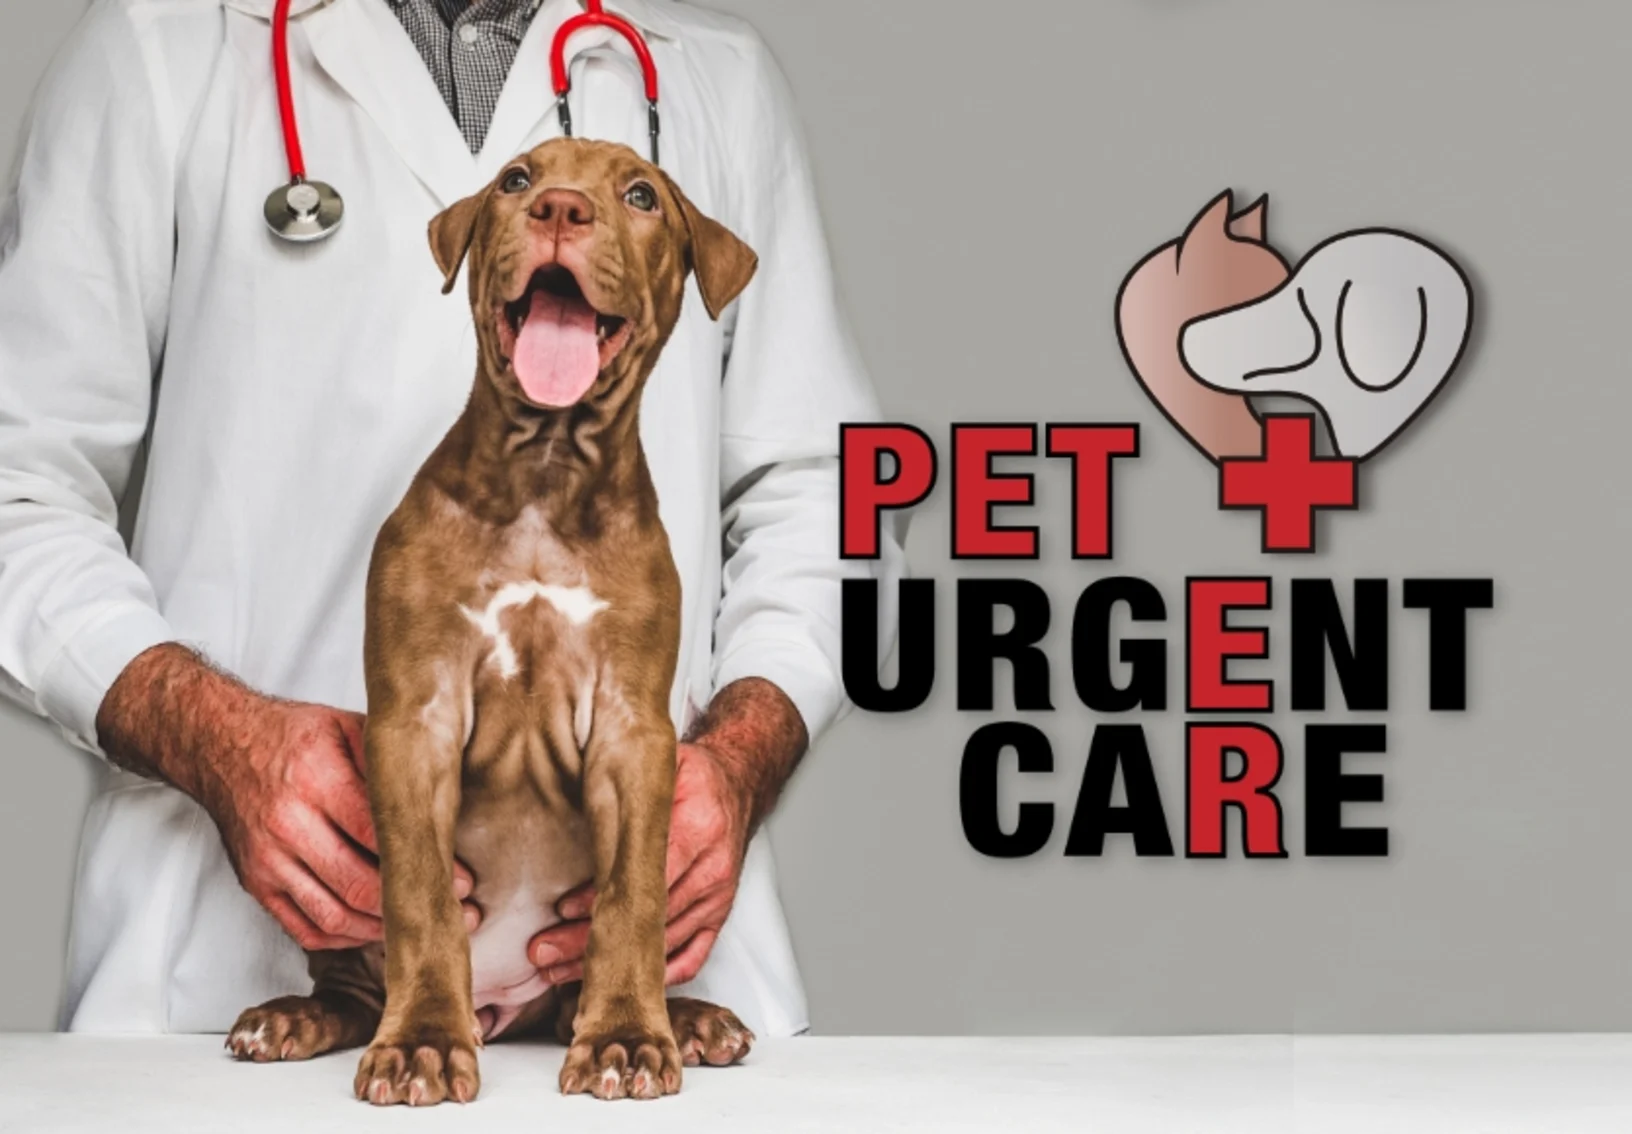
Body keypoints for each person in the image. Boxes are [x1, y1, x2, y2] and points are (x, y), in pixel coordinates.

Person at [0, 0, 902, 1039]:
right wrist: (213, 737)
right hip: (236, 968)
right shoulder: (157, 45)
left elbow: (834, 493)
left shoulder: (714, 77)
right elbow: (20, 484)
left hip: (631, 994)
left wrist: (740, 761)